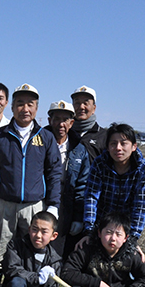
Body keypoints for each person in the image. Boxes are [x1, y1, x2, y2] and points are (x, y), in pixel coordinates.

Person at [0, 83, 62, 270]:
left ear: (36, 107)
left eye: (30, 104)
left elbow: (54, 173)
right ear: (12, 107)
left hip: (34, 207)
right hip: (4, 205)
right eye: (20, 104)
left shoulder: (46, 137)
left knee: (32, 254)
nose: (25, 109)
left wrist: (53, 205)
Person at [77, 123, 145, 255]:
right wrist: (89, 230)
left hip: (125, 227)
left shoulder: (142, 167)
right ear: (107, 146)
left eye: (123, 143)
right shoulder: (100, 163)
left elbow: (140, 205)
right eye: (113, 144)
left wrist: (133, 237)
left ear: (134, 146)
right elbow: (92, 197)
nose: (118, 148)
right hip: (101, 224)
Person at [44, 100, 90, 256]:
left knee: (62, 245)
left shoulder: (79, 149)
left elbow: (82, 185)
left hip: (67, 202)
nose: (60, 124)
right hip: (43, 199)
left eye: (65, 120)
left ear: (71, 123)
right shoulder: (39, 142)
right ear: (50, 121)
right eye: (56, 119)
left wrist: (78, 217)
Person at [2, 211, 63, 287]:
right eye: (35, 229)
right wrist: (37, 278)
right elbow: (12, 269)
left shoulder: (54, 261)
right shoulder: (15, 246)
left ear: (54, 236)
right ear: (29, 229)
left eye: (44, 232)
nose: (38, 235)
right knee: (17, 282)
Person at [69, 85, 106, 161]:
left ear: (94, 108)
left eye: (86, 103)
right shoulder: (64, 133)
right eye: (77, 103)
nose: (81, 107)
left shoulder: (105, 136)